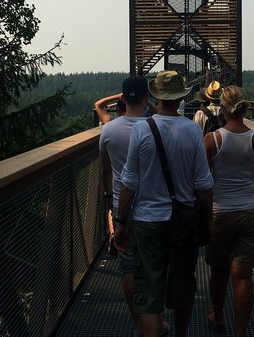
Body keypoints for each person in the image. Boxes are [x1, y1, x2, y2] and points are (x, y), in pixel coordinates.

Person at [114, 70, 214, 337]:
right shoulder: (193, 130)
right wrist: (208, 220)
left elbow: (129, 183)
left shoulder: (141, 130)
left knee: (149, 295)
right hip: (183, 222)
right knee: (183, 288)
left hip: (147, 222)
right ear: (182, 96)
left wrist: (121, 222)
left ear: (155, 96)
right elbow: (203, 184)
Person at [99, 76, 168, 337]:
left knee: (128, 266)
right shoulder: (157, 127)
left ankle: (138, 323)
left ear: (123, 98)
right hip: (153, 207)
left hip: (121, 208)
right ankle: (155, 322)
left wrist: (109, 198)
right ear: (145, 98)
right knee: (153, 269)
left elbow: (106, 170)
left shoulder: (109, 130)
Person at [203, 85, 254, 336]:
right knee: (243, 276)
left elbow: (203, 181)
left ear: (223, 108)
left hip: (220, 211)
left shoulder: (212, 139)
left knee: (219, 268)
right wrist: (251, 170)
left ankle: (218, 314)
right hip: (251, 211)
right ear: (244, 107)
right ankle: (240, 331)